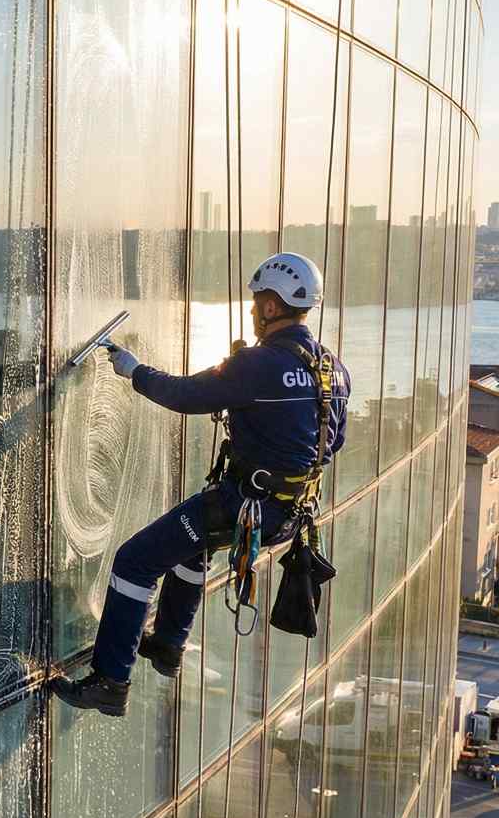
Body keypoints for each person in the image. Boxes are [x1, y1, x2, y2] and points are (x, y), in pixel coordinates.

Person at [52, 252, 351, 716]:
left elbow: (185, 394)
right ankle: (168, 645)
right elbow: (332, 443)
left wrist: (134, 370)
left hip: (244, 507)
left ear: (272, 307)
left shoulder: (258, 365)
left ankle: (110, 681)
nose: (252, 310)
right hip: (290, 515)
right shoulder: (331, 370)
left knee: (134, 562)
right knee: (191, 544)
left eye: (257, 303)